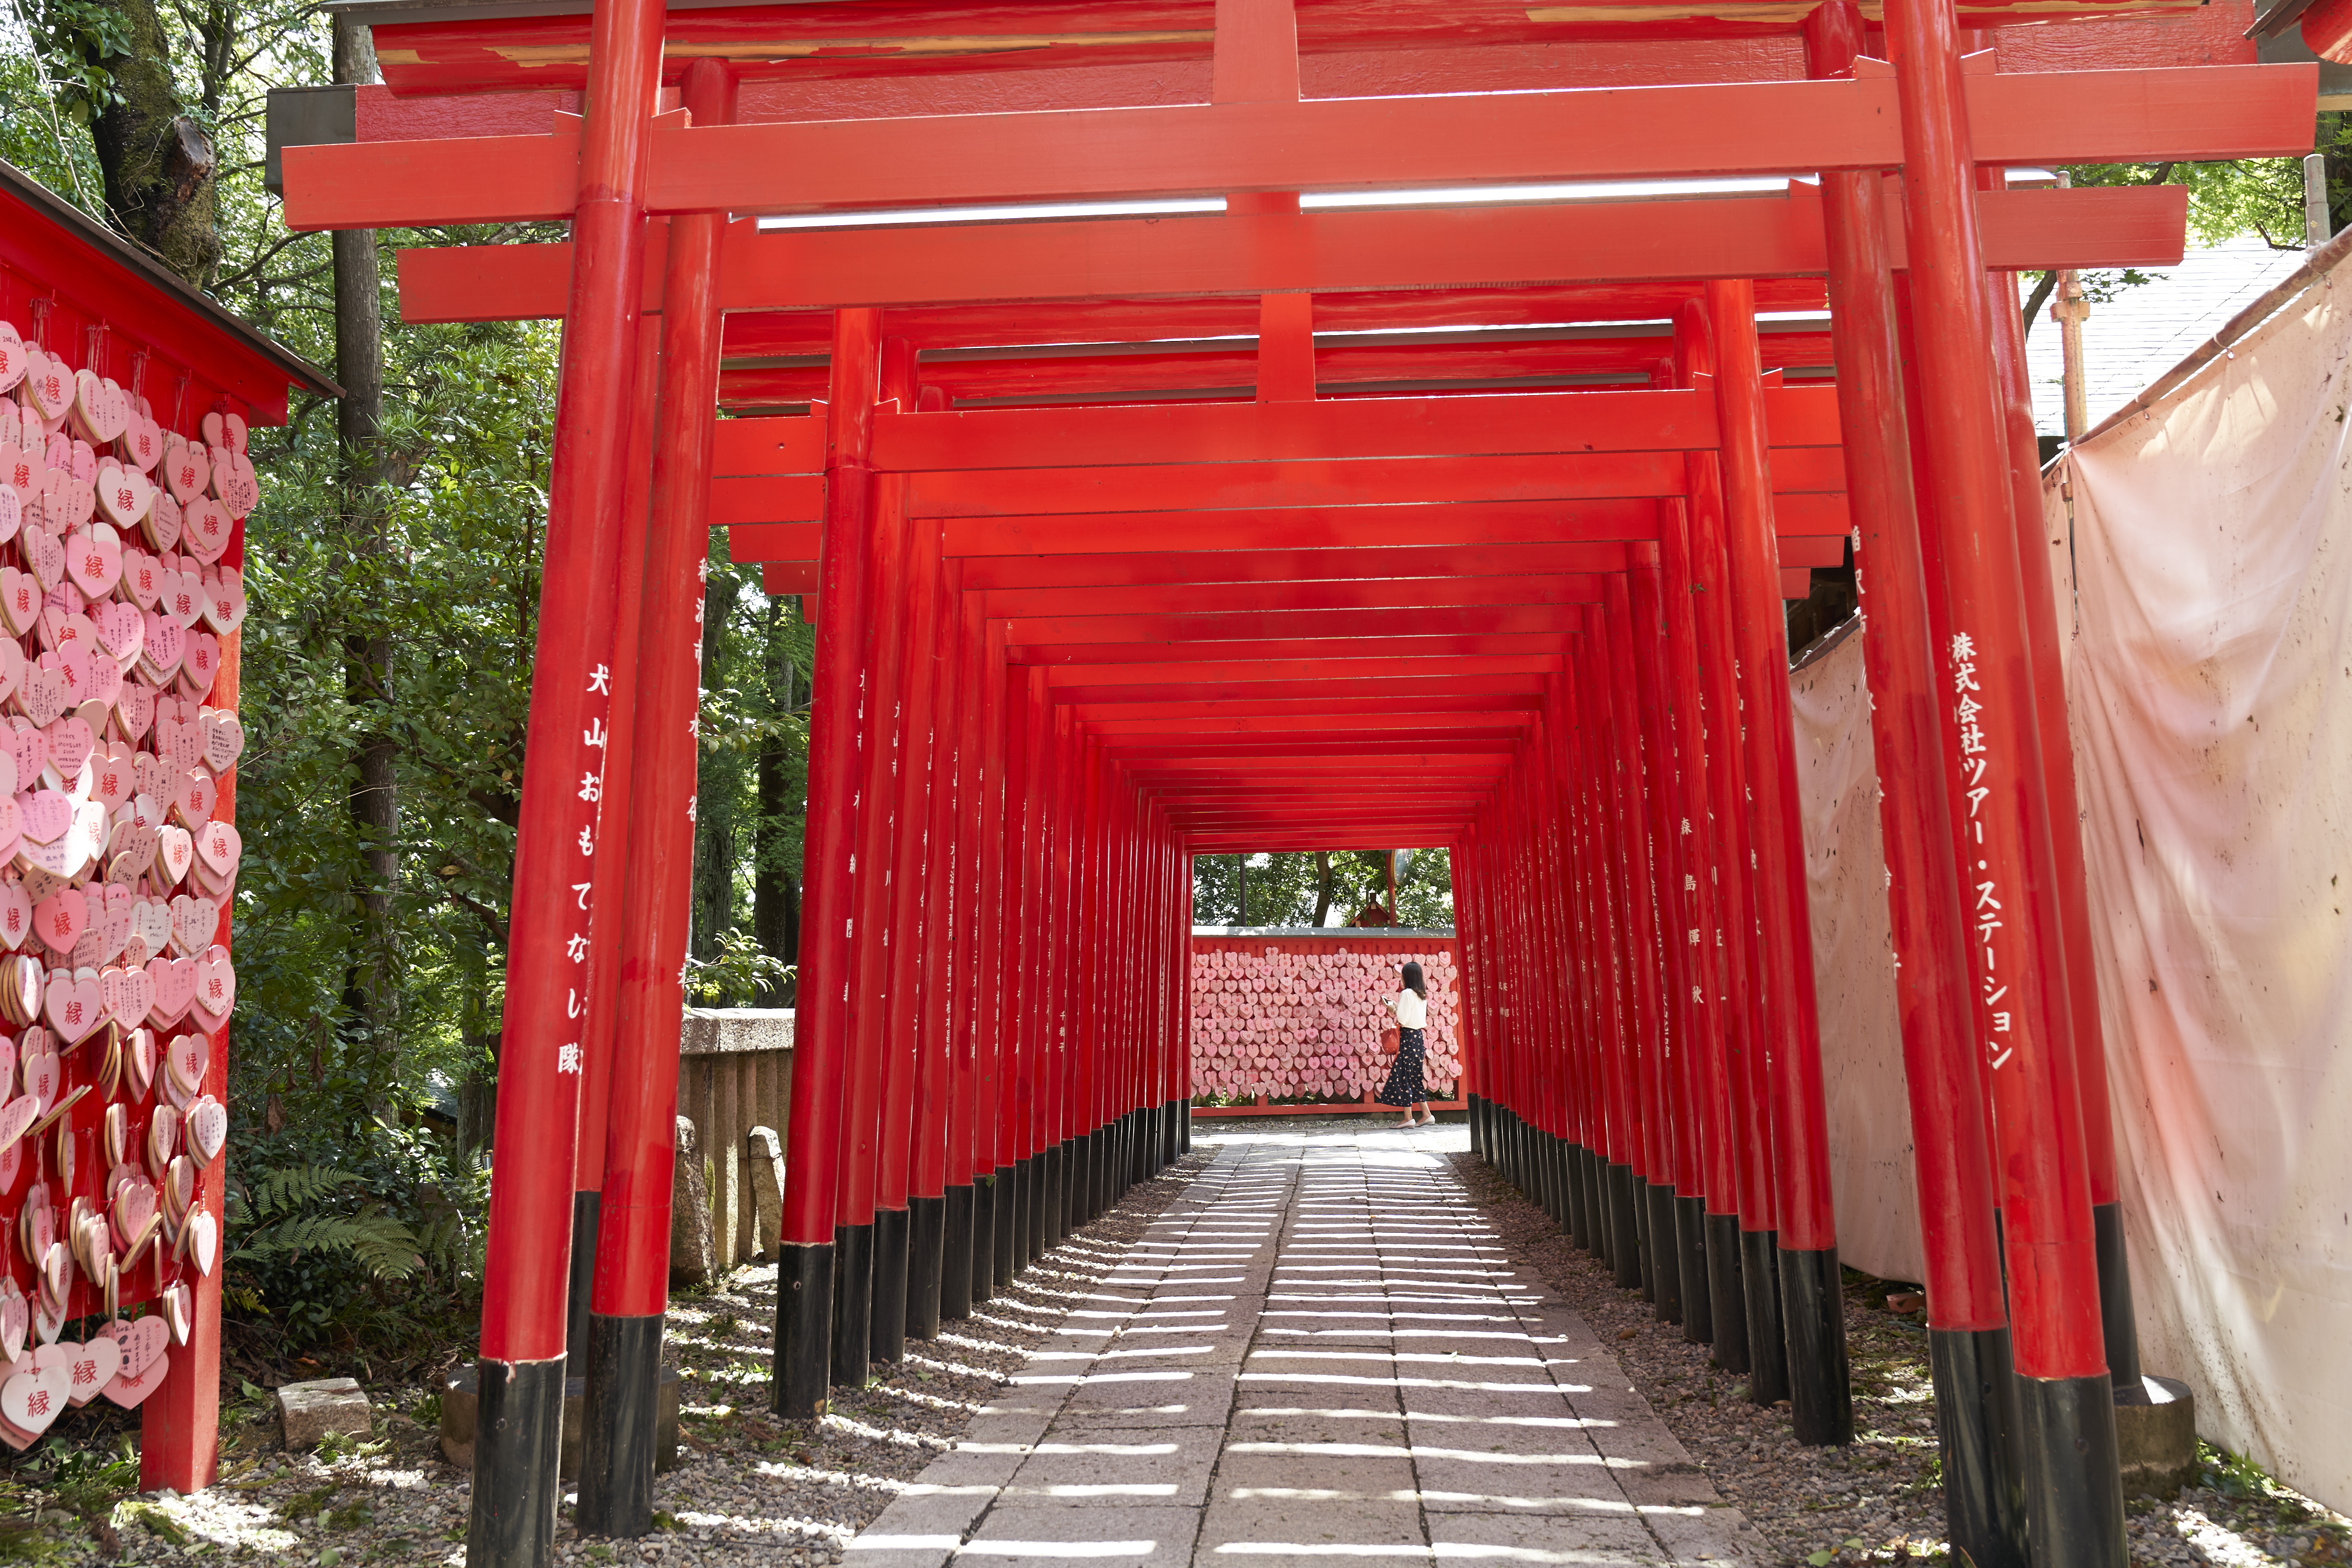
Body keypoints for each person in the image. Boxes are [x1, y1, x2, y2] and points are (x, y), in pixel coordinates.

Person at [1375, 961, 1436, 1128]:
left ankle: (1408, 1118)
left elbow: (1402, 1019)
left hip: (1408, 1037)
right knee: (1414, 1077)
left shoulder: (1407, 993)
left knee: (1404, 1076)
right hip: (1418, 1037)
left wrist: (1392, 1009)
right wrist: (1396, 1007)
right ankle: (1426, 1114)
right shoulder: (1421, 994)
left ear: (1406, 976)